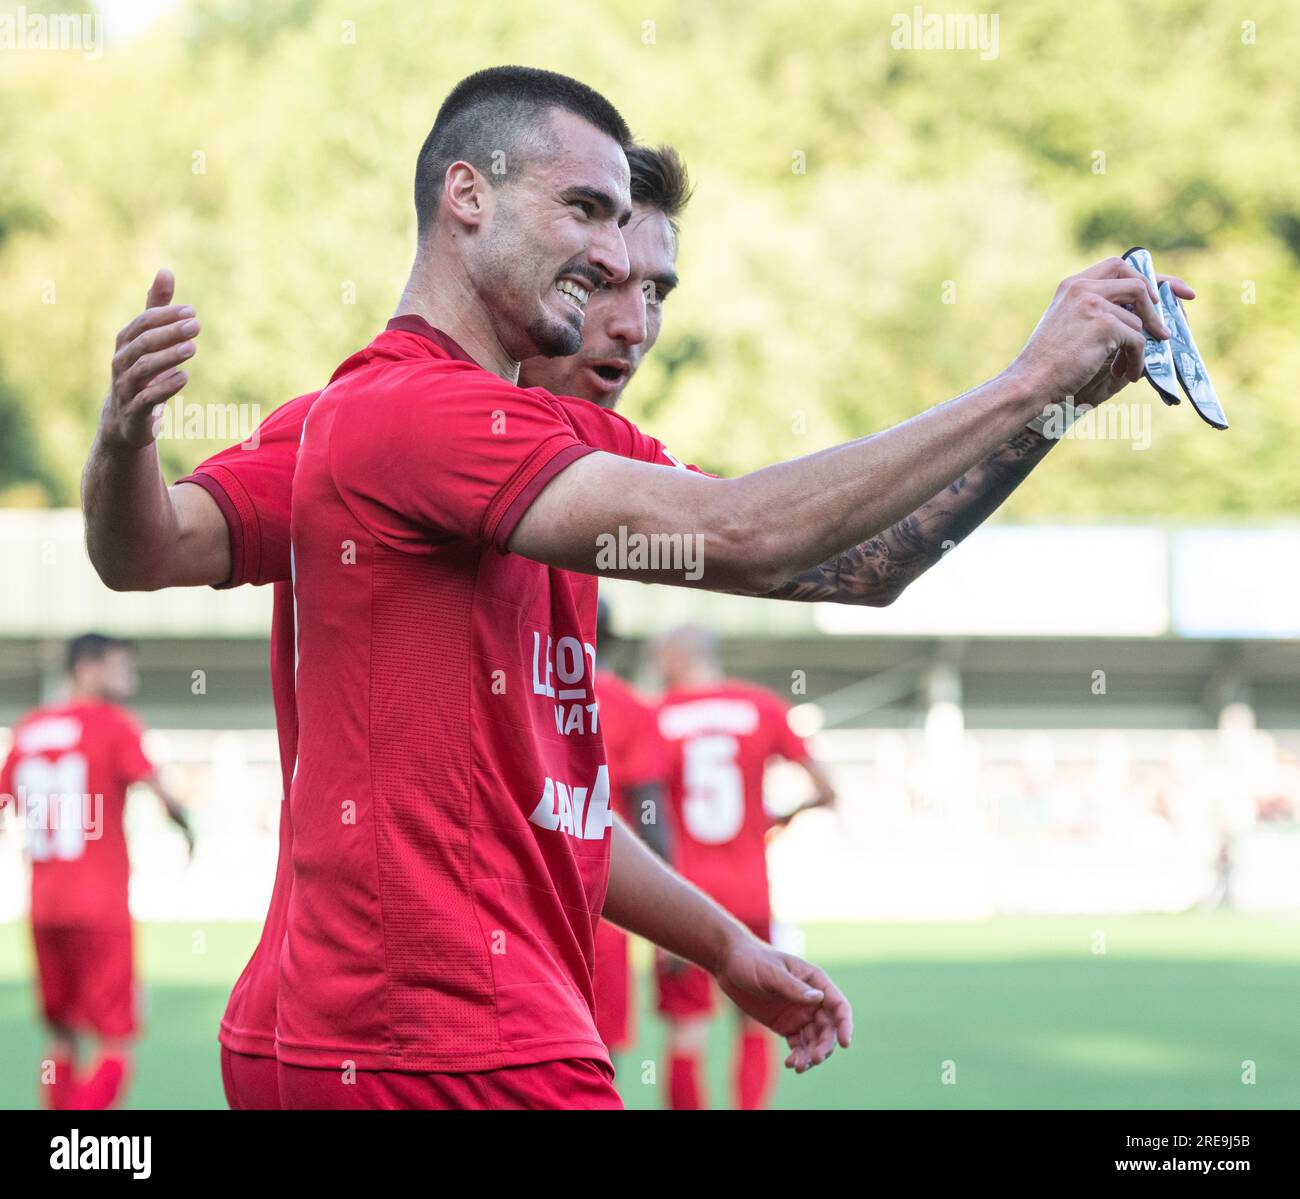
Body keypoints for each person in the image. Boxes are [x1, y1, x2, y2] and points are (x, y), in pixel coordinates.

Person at [82, 65, 1184, 1107]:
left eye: (651, 282)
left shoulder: (547, 450)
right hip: (450, 1035)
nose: (633, 313)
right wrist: (1024, 375)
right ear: (465, 196)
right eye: (596, 250)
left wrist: (1057, 404)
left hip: (325, 1031)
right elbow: (749, 534)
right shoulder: (411, 414)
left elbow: (854, 567)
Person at [0, 634, 192, 1110]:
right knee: (115, 1041)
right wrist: (188, 828)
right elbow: (160, 793)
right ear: (86, 669)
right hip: (99, 909)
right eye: (119, 666)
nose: (131, 677)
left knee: (62, 1038)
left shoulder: (30, 729)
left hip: (45, 908)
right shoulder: (113, 725)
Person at [652, 624, 836, 1109]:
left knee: (686, 1031)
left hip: (679, 900)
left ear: (675, 657)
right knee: (755, 1019)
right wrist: (772, 820)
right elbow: (826, 789)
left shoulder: (656, 717)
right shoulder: (762, 706)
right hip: (751, 893)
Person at [591, 600, 671, 1071]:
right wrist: (671, 928)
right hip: (604, 909)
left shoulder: (510, 689)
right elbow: (651, 824)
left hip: (512, 906)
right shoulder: (629, 708)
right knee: (598, 1062)